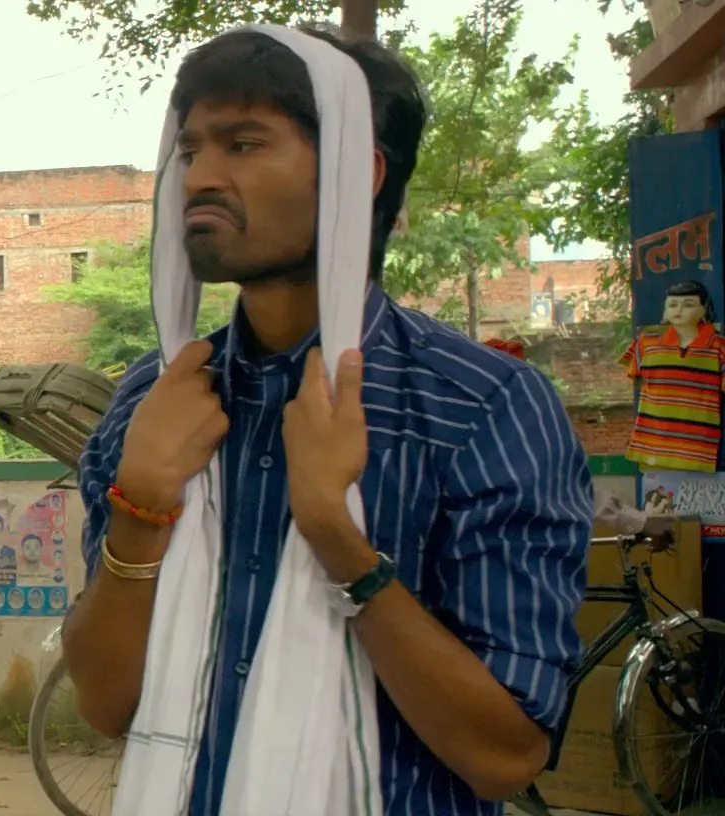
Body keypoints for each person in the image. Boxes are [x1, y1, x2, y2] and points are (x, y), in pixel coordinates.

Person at [62, 27, 593, 816]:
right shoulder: (156, 399)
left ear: (357, 173)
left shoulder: (481, 407)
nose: (199, 176)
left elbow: (505, 757)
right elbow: (105, 706)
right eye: (190, 150)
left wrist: (338, 539)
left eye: (244, 144)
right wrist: (140, 511)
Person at [621, 279, 725, 471]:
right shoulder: (644, 343)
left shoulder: (719, 347)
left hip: (698, 450)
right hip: (651, 446)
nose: (679, 310)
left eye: (688, 304)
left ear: (703, 310)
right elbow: (636, 382)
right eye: (673, 305)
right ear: (665, 311)